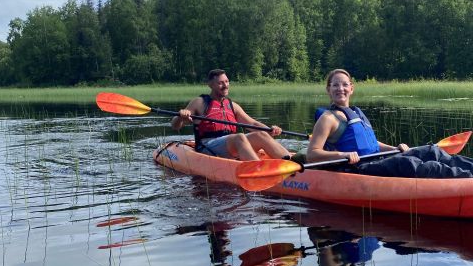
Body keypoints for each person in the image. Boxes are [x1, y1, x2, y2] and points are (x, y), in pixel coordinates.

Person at [306, 68, 473, 178]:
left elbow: (372, 143)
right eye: (335, 85)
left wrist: (393, 149)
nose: (340, 89)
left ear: (351, 88)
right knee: (408, 163)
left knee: (431, 151)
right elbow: (312, 155)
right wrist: (342, 155)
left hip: (377, 159)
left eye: (344, 85)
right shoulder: (327, 118)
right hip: (358, 168)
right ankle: (466, 179)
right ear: (328, 89)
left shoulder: (357, 113)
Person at [171, 69, 292, 161]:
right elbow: (175, 126)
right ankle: (259, 171)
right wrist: (180, 116)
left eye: (227, 81)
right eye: (220, 83)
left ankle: (293, 164)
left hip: (232, 144)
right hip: (207, 146)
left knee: (260, 134)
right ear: (210, 85)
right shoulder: (199, 102)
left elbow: (253, 124)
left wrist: (269, 130)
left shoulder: (232, 105)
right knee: (239, 137)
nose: (225, 85)